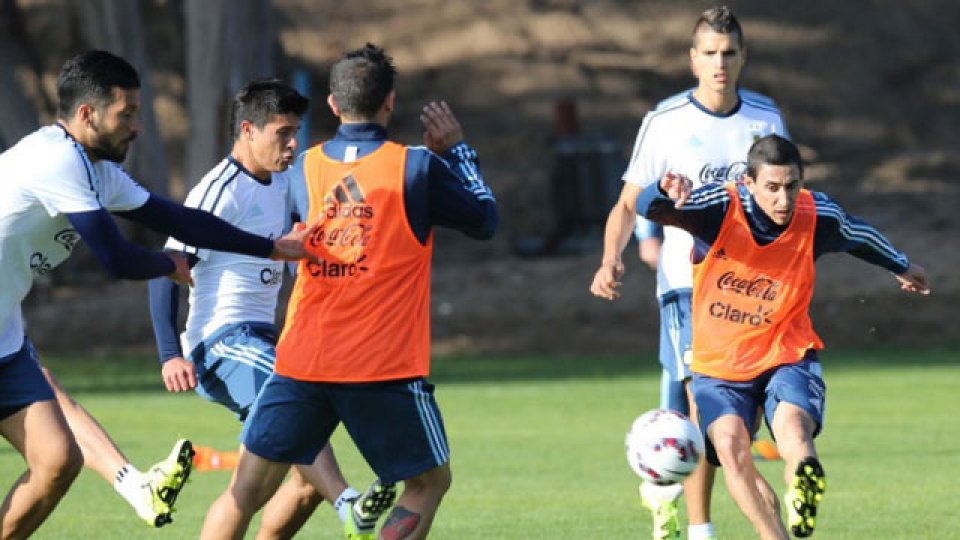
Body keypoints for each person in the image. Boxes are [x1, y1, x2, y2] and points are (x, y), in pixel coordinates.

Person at [0, 49, 314, 537]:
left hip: (5, 339)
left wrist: (271, 248)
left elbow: (179, 219)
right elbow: (118, 258)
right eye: (126, 114)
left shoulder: (96, 172)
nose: (138, 126)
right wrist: (168, 264)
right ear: (88, 114)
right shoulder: (55, 159)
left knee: (58, 461)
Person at [200, 43, 497, 540]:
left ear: (333, 106)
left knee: (245, 491)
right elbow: (485, 220)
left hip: (300, 362)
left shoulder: (300, 169)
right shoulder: (418, 168)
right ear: (390, 101)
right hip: (381, 368)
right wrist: (459, 151)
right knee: (428, 482)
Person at [638, 134, 929, 539]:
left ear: (801, 181)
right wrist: (665, 189)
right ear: (749, 183)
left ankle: (802, 482)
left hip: (786, 350)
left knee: (793, 428)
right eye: (772, 187)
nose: (782, 198)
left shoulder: (817, 214)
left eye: (791, 186)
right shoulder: (719, 207)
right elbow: (649, 206)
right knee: (729, 444)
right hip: (719, 363)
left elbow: (857, 234)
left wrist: (900, 265)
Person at [147, 78, 396, 540]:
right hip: (220, 345)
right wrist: (169, 353)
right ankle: (348, 506)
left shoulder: (287, 180)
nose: (291, 143)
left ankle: (330, 499)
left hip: (265, 341)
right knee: (301, 401)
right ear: (248, 130)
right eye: (281, 132)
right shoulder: (218, 190)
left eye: (295, 131)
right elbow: (167, 267)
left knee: (284, 484)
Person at [590, 6, 787, 539]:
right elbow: (627, 203)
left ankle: (665, 491)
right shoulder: (667, 121)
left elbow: (782, 200)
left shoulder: (765, 120)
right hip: (688, 288)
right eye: (710, 53)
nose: (720, 63)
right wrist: (612, 257)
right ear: (692, 59)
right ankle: (703, 529)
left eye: (729, 53)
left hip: (753, 294)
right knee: (708, 412)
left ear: (743, 57)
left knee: (734, 421)